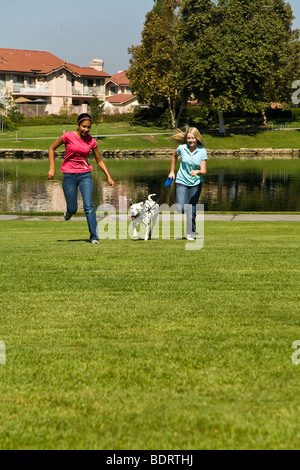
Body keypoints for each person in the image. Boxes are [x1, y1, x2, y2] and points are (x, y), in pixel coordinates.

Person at [48, 113, 115, 244]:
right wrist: (52, 168)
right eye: (83, 126)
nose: (86, 129)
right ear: (78, 125)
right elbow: (51, 148)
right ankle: (69, 211)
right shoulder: (68, 136)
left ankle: (94, 237)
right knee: (73, 208)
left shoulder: (91, 141)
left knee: (89, 206)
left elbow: (99, 160)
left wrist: (109, 176)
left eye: (88, 127)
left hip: (85, 175)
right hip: (69, 175)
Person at [168, 127, 207, 240]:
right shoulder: (181, 148)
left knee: (192, 208)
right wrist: (171, 172)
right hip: (181, 181)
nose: (190, 140)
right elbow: (174, 156)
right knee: (181, 207)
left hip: (196, 183)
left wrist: (198, 171)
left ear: (197, 138)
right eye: (189, 138)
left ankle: (190, 232)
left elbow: (204, 171)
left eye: (193, 138)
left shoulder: (202, 151)